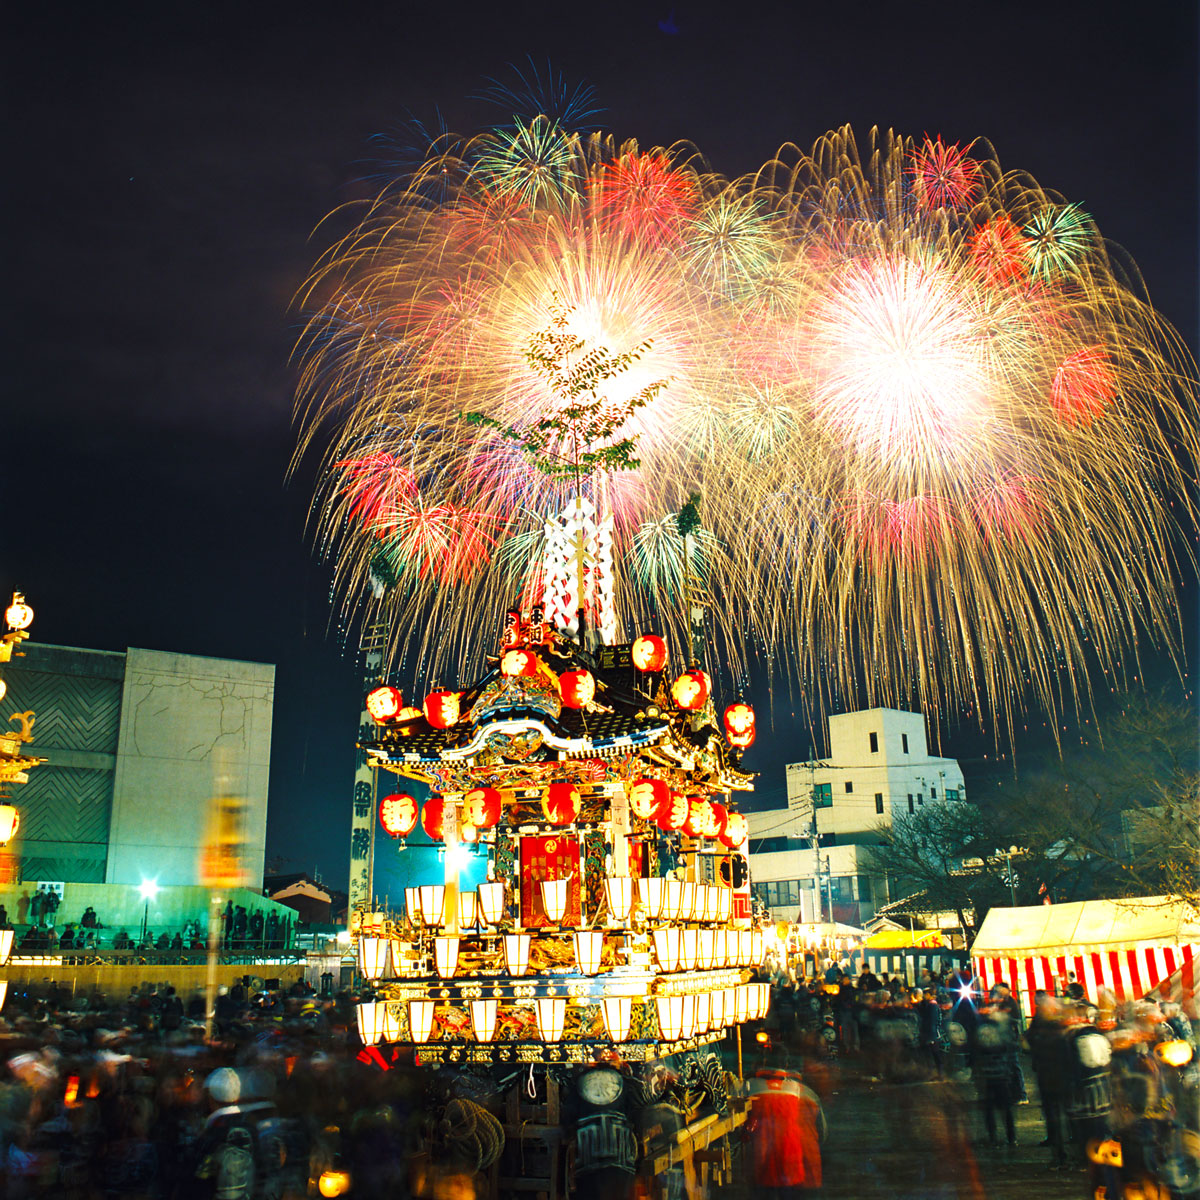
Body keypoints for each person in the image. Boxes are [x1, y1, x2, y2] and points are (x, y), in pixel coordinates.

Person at [746, 1067, 826, 1194]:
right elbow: (822, 1133)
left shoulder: (753, 1087)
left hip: (768, 1166)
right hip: (798, 1167)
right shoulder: (806, 1093)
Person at [1027, 991, 1070, 1168]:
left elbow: (1031, 1042)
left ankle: (1059, 1151)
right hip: (1059, 1076)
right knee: (1062, 1114)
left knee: (1053, 1114)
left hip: (1048, 1076)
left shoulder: (1040, 1027)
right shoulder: (1061, 1028)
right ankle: (1064, 1150)